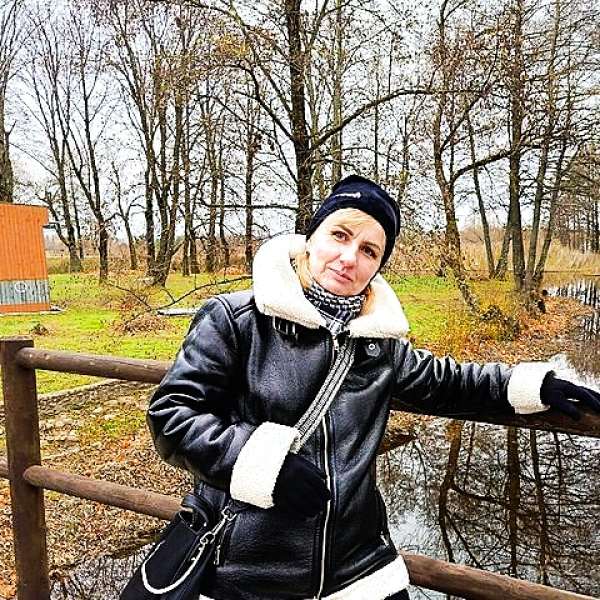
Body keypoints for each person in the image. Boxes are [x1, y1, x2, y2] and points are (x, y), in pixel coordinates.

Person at [147, 175, 600, 600]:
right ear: (311, 238)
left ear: (378, 266)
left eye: (369, 250)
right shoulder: (236, 320)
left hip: (359, 567)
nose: (349, 258)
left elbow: (447, 381)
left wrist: (532, 384)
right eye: (340, 235)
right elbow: (172, 415)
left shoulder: (377, 344)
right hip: (252, 571)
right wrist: (258, 463)